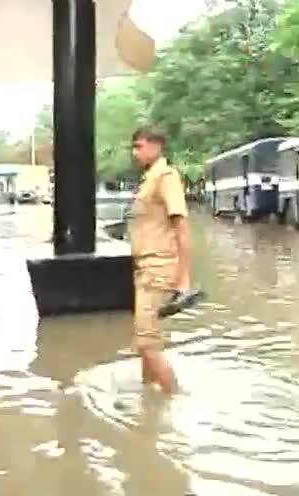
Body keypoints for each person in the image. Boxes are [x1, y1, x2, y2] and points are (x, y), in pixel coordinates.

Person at [130, 126, 192, 395]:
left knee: (146, 343)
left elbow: (181, 226)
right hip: (145, 268)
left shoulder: (166, 177)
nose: (135, 153)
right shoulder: (149, 179)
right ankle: (148, 396)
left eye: (140, 146)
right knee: (147, 339)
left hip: (159, 267)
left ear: (156, 146)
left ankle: (174, 399)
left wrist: (183, 275)